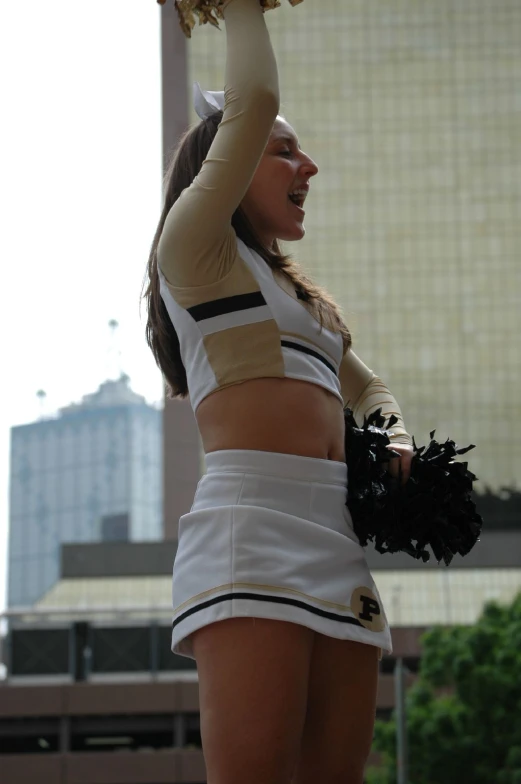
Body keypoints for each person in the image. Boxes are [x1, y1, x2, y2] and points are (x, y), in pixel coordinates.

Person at [143, 0, 413, 781]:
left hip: (334, 533)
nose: (308, 168)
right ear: (226, 165)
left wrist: (391, 434)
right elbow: (253, 99)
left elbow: (372, 389)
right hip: (249, 529)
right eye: (284, 153)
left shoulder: (305, 301)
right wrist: (241, 9)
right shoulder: (193, 254)